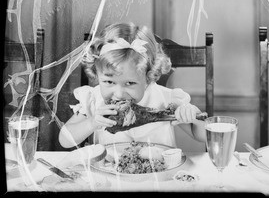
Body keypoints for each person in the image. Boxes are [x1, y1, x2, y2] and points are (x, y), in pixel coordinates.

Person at [58, 22, 206, 148]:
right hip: (109, 179)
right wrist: (91, 123)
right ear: (97, 75)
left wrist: (192, 117)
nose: (119, 94)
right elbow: (64, 140)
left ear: (149, 78)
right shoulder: (93, 100)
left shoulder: (167, 100)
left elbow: (203, 136)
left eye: (129, 83)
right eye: (109, 82)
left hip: (158, 179)